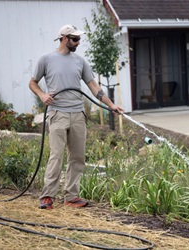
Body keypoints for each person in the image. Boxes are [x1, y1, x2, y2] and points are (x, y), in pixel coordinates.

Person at [29, 24, 124, 209]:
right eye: (75, 39)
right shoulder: (46, 59)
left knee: (78, 157)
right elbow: (32, 83)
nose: (78, 42)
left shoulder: (80, 61)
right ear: (64, 38)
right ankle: (47, 196)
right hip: (57, 114)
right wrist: (42, 95)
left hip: (78, 114)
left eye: (79, 39)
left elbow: (94, 87)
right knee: (56, 156)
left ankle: (71, 197)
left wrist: (111, 105)